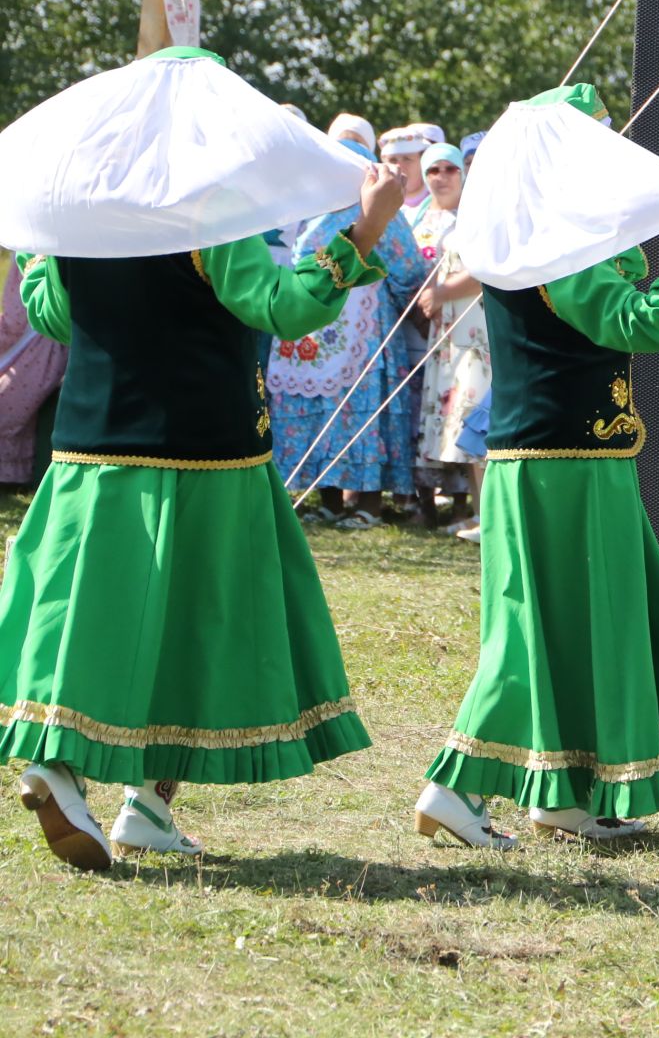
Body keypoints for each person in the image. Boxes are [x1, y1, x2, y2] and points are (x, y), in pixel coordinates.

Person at [0, 56, 402, 866]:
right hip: (204, 454)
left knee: (92, 613)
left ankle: (136, 801)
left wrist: (38, 244)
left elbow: (53, 316)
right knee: (191, 628)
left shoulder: (84, 208)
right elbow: (283, 307)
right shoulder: (213, 207)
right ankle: (87, 773)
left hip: (90, 449)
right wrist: (363, 231)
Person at [413, 82, 659, 848]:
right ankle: (456, 787)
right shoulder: (558, 240)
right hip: (562, 466)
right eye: (599, 137)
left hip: (564, 458)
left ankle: (558, 797)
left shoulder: (539, 230)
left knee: (560, 631)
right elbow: (633, 322)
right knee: (536, 633)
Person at [269, 125, 429, 527]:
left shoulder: (377, 207)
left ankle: (368, 502)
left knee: (359, 409)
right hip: (312, 322)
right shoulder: (308, 208)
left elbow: (406, 265)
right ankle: (328, 498)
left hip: (363, 326)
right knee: (318, 408)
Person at [411, 143, 489, 532]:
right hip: (454, 333)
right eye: (433, 170)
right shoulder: (443, 218)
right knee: (465, 420)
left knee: (478, 417)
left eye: (451, 169)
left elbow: (482, 271)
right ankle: (480, 513)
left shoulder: (482, 215)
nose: (442, 177)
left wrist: (440, 292)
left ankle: (488, 515)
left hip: (476, 332)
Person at [0, 254, 67, 488]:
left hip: (41, 345)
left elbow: (15, 321)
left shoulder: (28, 250)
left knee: (6, 404)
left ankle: (11, 474)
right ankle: (12, 473)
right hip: (49, 340)